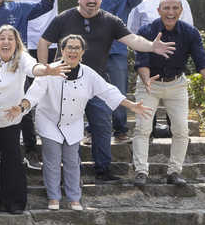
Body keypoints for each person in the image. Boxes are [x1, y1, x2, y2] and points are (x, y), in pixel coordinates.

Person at [37, 0, 175, 183]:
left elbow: (132, 40)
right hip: (65, 83)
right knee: (66, 126)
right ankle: (70, 171)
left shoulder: (111, 20)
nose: (91, 1)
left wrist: (152, 47)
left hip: (97, 83)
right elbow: (43, 42)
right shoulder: (64, 18)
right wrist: (46, 71)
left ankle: (102, 169)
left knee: (102, 126)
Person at [19, 35, 153, 210]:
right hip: (49, 121)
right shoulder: (50, 70)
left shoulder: (88, 73)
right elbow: (34, 94)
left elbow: (108, 92)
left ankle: (74, 197)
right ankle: (54, 198)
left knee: (72, 160)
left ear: (82, 52)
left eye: (77, 48)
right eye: (69, 48)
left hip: (73, 122)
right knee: (52, 160)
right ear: (62, 50)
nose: (72, 51)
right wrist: (21, 107)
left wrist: (132, 105)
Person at [0, 25, 68, 215]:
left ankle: (14, 202)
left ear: (16, 43)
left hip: (11, 115)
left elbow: (34, 68)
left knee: (12, 158)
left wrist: (47, 70)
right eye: (2, 38)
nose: (6, 42)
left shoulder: (22, 57)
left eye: (10, 38)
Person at [132, 0, 205, 188]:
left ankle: (174, 171)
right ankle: (141, 172)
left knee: (181, 129)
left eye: (175, 8)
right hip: (149, 83)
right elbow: (141, 60)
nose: (170, 12)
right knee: (143, 128)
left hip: (177, 84)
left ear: (181, 11)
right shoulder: (146, 30)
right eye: (166, 8)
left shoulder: (190, 32)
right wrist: (146, 79)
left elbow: (202, 60)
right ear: (158, 11)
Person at [3, 0, 79, 170]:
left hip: (52, 48)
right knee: (24, 98)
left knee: (54, 97)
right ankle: (31, 150)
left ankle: (57, 148)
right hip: (25, 49)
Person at [79, 0, 145, 144]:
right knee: (91, 91)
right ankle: (92, 131)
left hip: (117, 52)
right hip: (94, 51)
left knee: (119, 91)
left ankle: (120, 131)